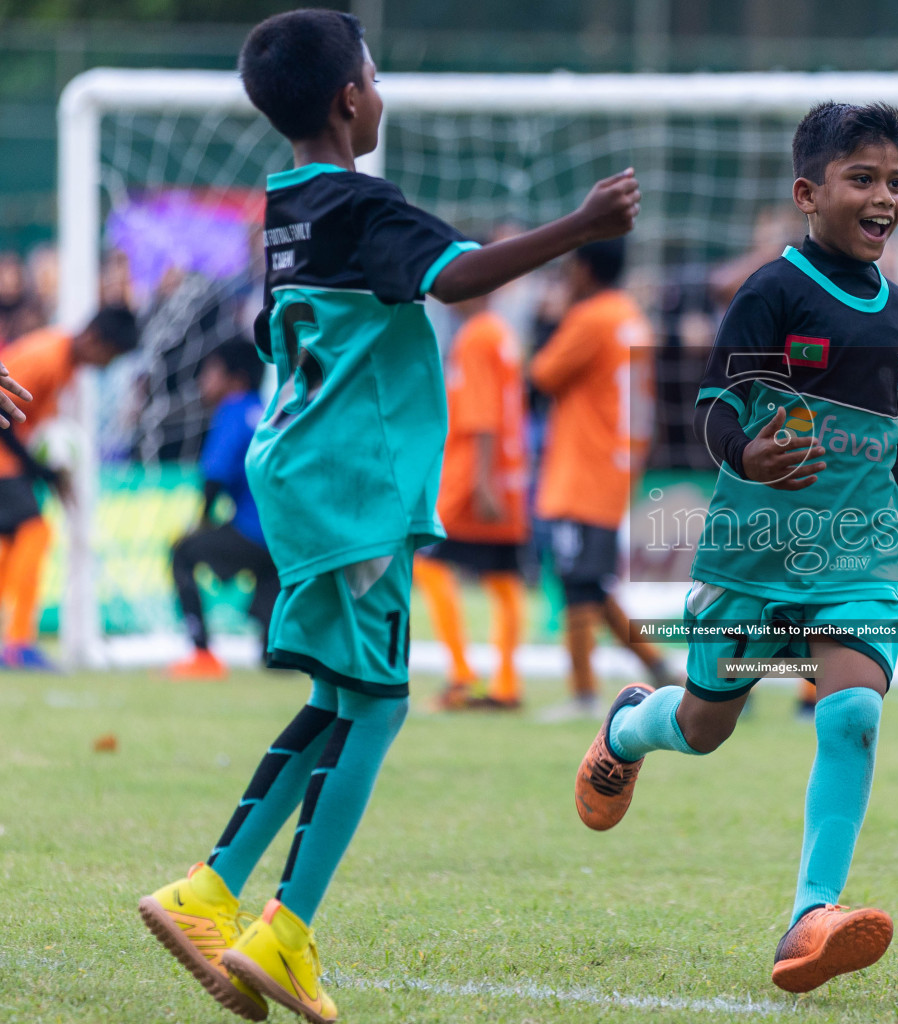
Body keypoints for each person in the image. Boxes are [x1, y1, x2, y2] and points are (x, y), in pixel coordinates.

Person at [136, 12, 640, 1023]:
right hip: (353, 488)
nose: (381, 88)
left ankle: (209, 888)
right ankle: (285, 927)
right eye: (375, 73)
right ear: (350, 100)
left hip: (305, 477)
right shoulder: (364, 208)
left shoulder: (282, 207)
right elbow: (454, 278)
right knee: (381, 702)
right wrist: (581, 228)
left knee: (338, 696)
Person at [572, 101, 898, 993]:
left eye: (896, 182)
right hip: (752, 553)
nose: (884, 199)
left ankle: (809, 917)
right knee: (707, 724)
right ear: (808, 192)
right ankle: (631, 725)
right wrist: (746, 452)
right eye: (862, 179)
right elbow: (712, 409)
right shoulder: (771, 292)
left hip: (856, 558)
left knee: (855, 712)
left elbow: (888, 454)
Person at [529, 237, 672, 721]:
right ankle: (662, 668)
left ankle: (584, 695)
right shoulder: (630, 315)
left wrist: (553, 317)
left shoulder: (590, 318)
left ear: (585, 269)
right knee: (594, 583)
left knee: (577, 582)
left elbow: (542, 374)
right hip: (616, 462)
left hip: (583, 470)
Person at [0, 307, 139, 670]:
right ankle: (17, 645)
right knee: (34, 531)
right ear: (94, 339)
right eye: (110, 356)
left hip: (11, 460)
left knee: (15, 541)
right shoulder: (45, 357)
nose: (107, 366)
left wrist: (47, 471)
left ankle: (14, 642)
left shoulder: (64, 363)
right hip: (5, 459)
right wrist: (40, 469)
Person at [415, 293, 532, 712]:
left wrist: (482, 483)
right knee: (504, 577)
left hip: (473, 480)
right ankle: (505, 683)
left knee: (426, 564)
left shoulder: (476, 338)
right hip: (507, 473)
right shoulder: (501, 334)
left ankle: (462, 675)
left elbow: (482, 414)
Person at [167, 340, 278, 680]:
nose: (203, 380)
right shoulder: (266, 409)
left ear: (236, 379)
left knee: (182, 552)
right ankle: (274, 649)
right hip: (285, 533)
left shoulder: (232, 410)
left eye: (211, 372)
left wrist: (201, 523)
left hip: (255, 530)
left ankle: (201, 652)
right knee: (269, 575)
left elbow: (214, 476)